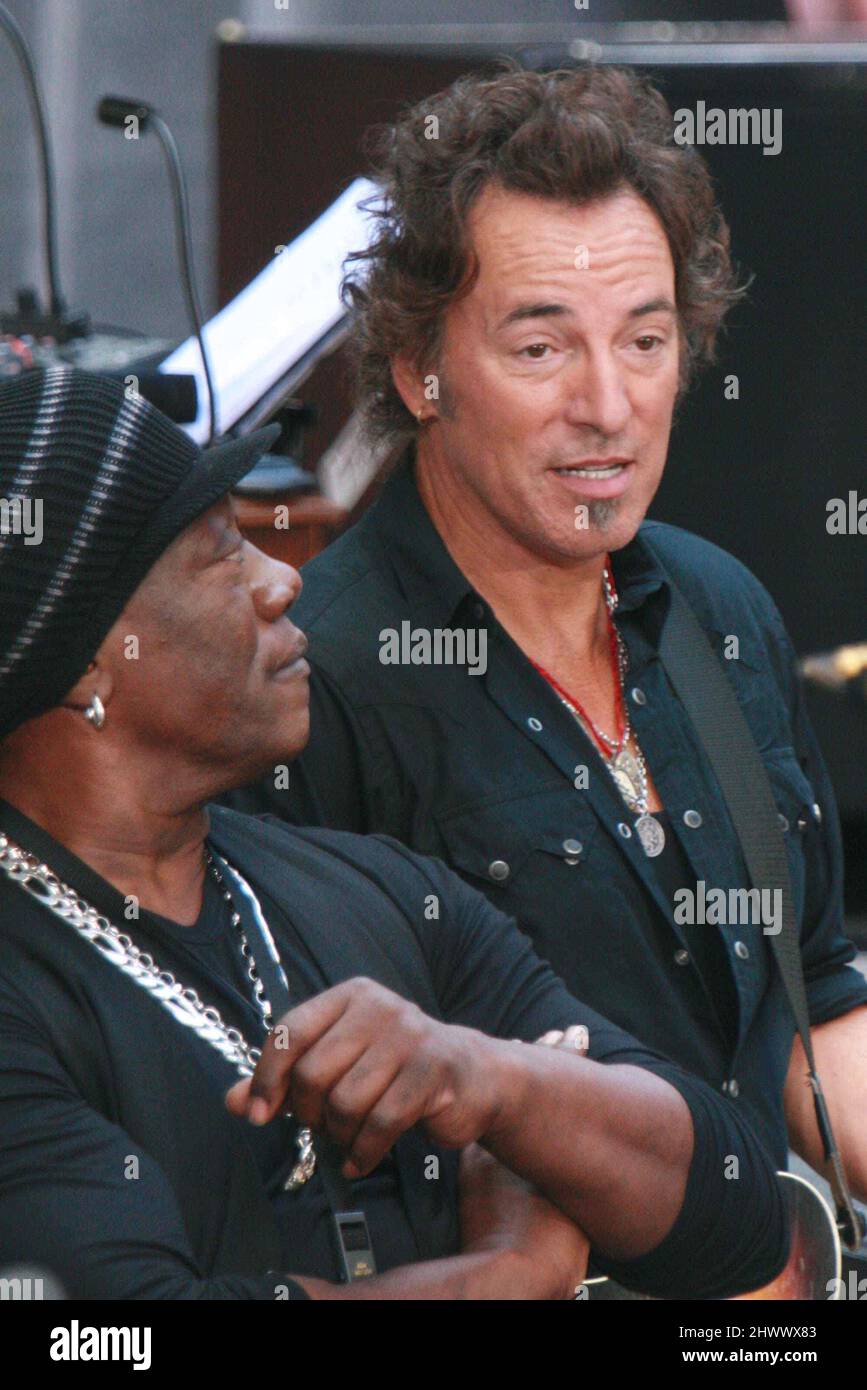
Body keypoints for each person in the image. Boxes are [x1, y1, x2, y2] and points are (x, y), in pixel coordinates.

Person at [0, 368, 788, 1301]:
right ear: (90, 660)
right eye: (220, 553)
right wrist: (508, 1275)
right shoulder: (26, 993)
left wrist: (499, 1086)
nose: (281, 579)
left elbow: (735, 1213)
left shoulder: (376, 894)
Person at [228, 65, 867, 1209]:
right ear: (422, 371)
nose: (609, 406)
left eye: (645, 340)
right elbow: (316, 1170)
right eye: (540, 348)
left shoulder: (722, 611)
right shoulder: (311, 689)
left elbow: (812, 1012)